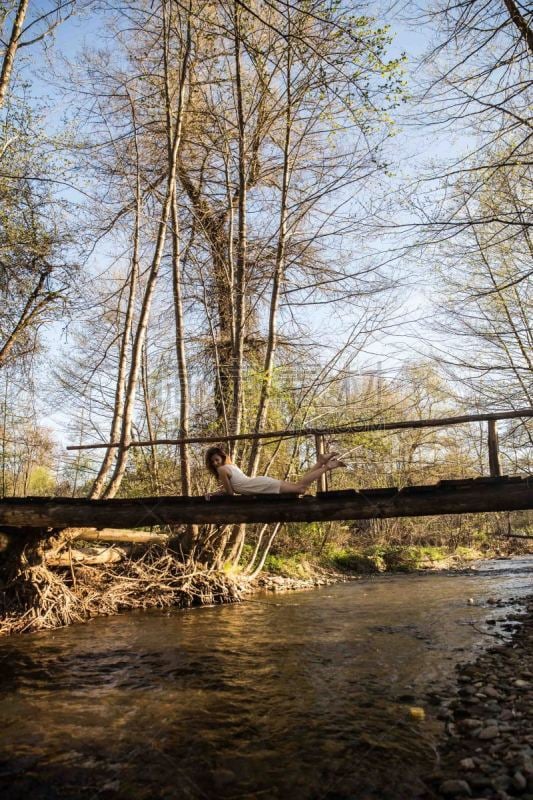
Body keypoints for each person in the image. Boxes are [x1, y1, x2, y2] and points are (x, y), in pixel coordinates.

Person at [204, 445, 345, 497]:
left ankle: (326, 466)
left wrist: (216, 494)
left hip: (259, 486)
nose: (215, 464)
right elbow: (234, 487)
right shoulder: (231, 466)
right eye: (213, 462)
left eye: (217, 460)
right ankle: (321, 462)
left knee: (301, 488)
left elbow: (230, 493)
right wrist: (216, 493)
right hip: (258, 484)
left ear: (222, 458)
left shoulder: (222, 470)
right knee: (300, 486)